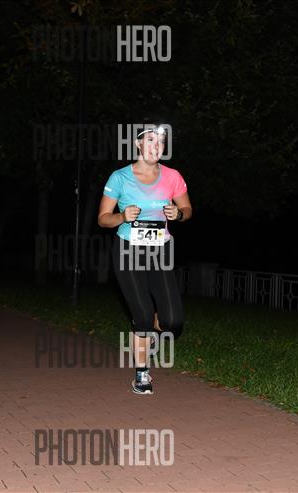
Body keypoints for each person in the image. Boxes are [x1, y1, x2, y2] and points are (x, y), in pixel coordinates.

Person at [97, 123, 192, 394]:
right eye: (150, 140)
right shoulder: (120, 177)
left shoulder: (172, 176)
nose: (156, 146)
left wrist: (179, 214)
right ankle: (141, 375)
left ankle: (149, 330)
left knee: (172, 322)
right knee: (141, 315)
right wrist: (122, 216)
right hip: (128, 249)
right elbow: (103, 219)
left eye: (160, 142)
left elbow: (188, 209)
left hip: (160, 251)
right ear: (138, 144)